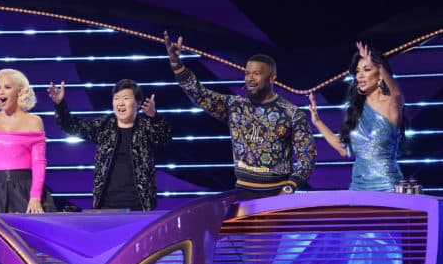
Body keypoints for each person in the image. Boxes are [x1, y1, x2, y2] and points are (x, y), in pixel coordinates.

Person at [163, 31, 316, 201]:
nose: (249, 78)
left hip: (278, 196)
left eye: (256, 74)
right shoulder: (234, 106)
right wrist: (177, 64)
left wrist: (288, 189)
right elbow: (199, 94)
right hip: (242, 194)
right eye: (247, 73)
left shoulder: (291, 113)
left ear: (272, 78)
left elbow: (307, 156)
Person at [47, 79, 171, 211]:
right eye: (116, 98)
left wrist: (154, 117)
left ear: (138, 103)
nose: (120, 103)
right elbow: (72, 126)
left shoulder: (145, 128)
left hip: (139, 206)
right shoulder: (105, 126)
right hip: (106, 205)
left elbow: (164, 137)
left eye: (125, 98)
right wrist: (60, 104)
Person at [308, 42, 404, 191]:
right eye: (358, 71)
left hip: (387, 185)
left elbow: (396, 94)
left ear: (379, 75)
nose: (360, 75)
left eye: (366, 69)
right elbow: (343, 149)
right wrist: (317, 122)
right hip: (358, 186)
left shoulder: (390, 104)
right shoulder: (357, 110)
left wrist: (378, 66)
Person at [0, 68, 56, 213]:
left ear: (20, 91)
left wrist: (35, 197)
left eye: (7, 87)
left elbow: (38, 162)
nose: (1, 92)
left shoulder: (33, 121)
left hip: (24, 190)